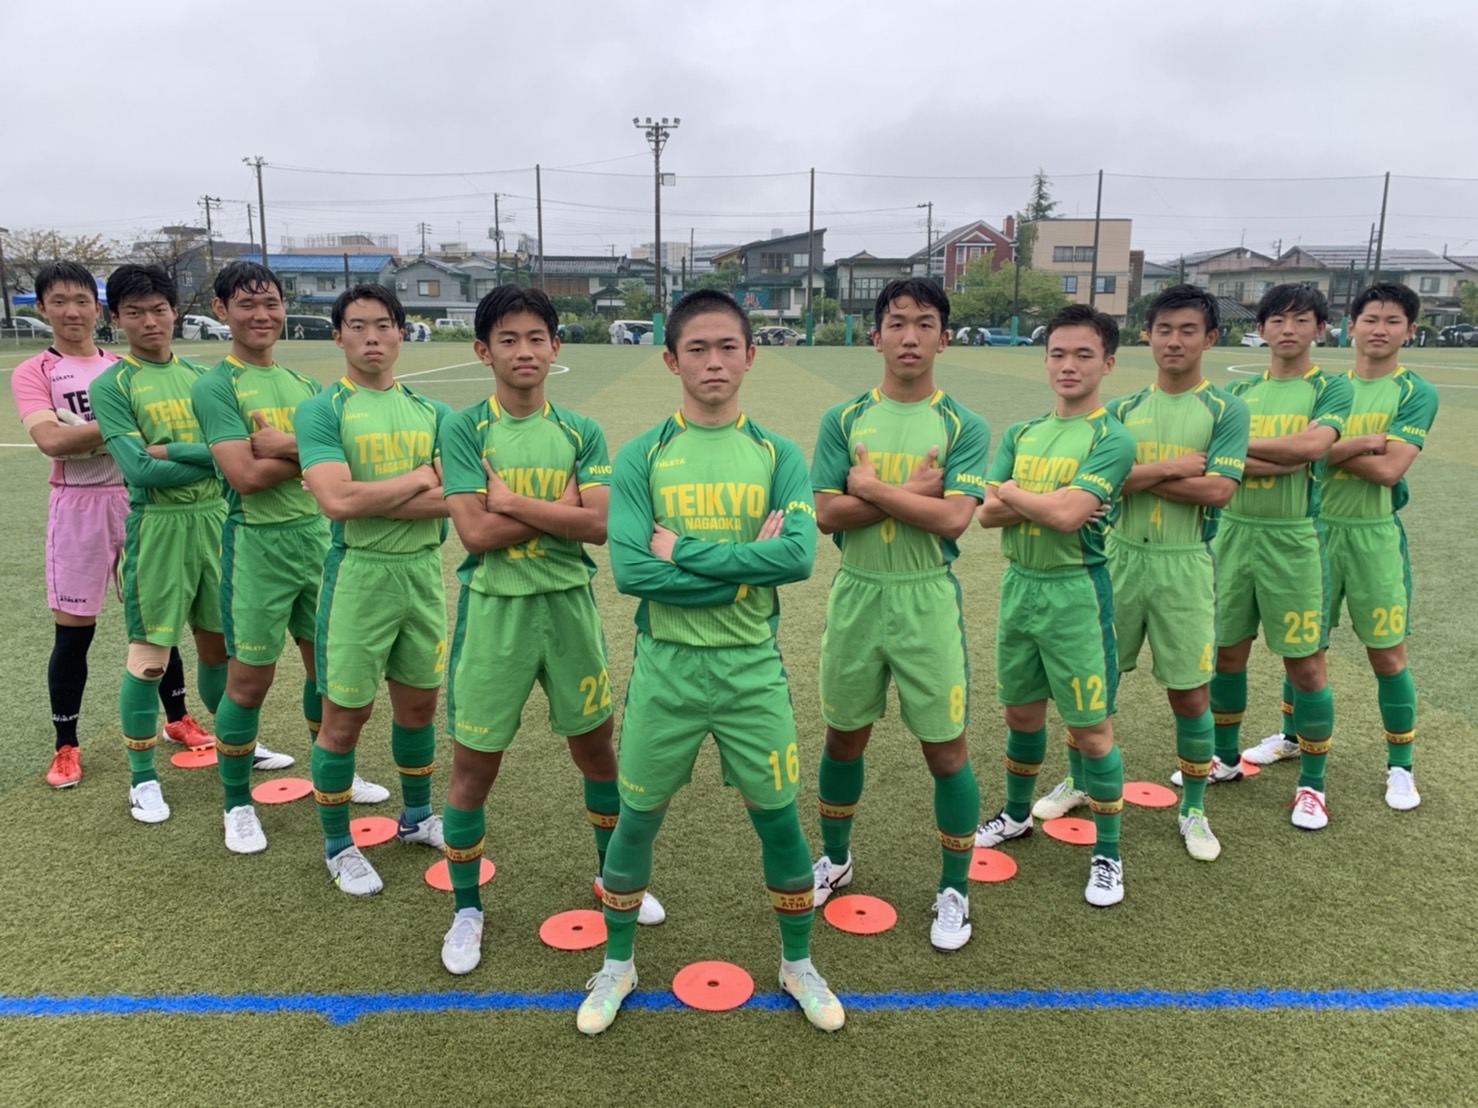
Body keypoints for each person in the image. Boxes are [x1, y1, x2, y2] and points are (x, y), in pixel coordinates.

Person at [576, 289, 842, 1036]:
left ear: (751, 356)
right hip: (666, 669)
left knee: (780, 824)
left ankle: (798, 964)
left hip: (751, 668)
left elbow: (797, 557)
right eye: (697, 348)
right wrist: (743, 568)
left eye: (728, 347)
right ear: (671, 360)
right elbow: (633, 571)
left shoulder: (779, 454)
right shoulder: (642, 455)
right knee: (635, 822)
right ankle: (618, 965)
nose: (714, 361)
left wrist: (685, 551)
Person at [436, 285, 664, 972]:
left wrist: (510, 501)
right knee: (474, 765)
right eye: (508, 339)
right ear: (484, 352)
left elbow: (598, 525)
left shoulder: (581, 431)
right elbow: (475, 535)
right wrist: (552, 509)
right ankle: (467, 910)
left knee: (597, 753)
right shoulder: (463, 429)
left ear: (556, 347)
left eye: (536, 337)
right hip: (495, 613)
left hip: (568, 608)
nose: (524, 351)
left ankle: (611, 877)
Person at [1030, 286, 1247, 862]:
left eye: (1188, 330)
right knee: (1093, 686)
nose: (1174, 341)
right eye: (1164, 329)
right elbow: (1098, 482)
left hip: (1184, 564)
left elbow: (1219, 490)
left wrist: (1134, 476)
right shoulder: (1121, 411)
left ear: (1209, 338)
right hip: (1117, 558)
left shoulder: (1225, 409)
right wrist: (1171, 468)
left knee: (1191, 694)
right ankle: (1078, 781)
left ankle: (1194, 807)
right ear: (1147, 336)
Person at [806, 278, 987, 951]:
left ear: (944, 338)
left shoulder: (965, 424)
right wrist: (910, 492)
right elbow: (828, 514)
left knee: (945, 749)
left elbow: (953, 519)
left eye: (925, 323)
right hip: (857, 593)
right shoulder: (843, 419)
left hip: (925, 598)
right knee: (842, 736)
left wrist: (872, 487)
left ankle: (954, 888)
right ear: (875, 335)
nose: (910, 336)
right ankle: (837, 859)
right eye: (898, 322)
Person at [191, 262, 387, 855]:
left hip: (316, 541)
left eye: (271, 303)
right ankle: (237, 804)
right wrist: (312, 455)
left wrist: (285, 444)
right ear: (222, 310)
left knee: (325, 672)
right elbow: (245, 477)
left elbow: (345, 460)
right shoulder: (215, 385)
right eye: (247, 304)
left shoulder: (304, 385)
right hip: (257, 546)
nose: (262, 315)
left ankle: (335, 773)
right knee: (249, 680)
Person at [11, 262, 202, 790]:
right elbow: (52, 441)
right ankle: (66, 745)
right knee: (75, 629)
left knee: (158, 616)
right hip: (78, 505)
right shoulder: (36, 371)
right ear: (42, 308)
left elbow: (158, 439)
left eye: (81, 301)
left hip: (141, 499)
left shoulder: (123, 366)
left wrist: (101, 434)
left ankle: (178, 718)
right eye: (58, 301)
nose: (71, 311)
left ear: (99, 309)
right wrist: (122, 427)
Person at [1248, 284, 1437, 811]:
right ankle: (1292, 737)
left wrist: (1318, 451)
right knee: (1305, 647)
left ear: (1409, 331)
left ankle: (1401, 767)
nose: (1380, 329)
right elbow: (1304, 455)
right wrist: (1358, 443)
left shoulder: (1415, 392)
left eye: (1393, 321)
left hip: (1372, 535)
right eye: (1370, 319)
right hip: (1311, 530)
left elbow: (1390, 469)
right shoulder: (1327, 388)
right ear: (1351, 327)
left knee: (1387, 654)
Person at [974, 304, 1136, 907]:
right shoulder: (1022, 433)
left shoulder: (1112, 437)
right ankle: (1017, 815)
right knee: (1021, 714)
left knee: (1091, 730)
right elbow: (986, 515)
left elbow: (1067, 519)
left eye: (1083, 354)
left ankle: (1108, 853)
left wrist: (1017, 491)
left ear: (1108, 363)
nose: (1069, 365)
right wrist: (1046, 499)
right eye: (1058, 354)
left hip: (1076, 592)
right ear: (1045, 361)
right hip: (1020, 587)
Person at [293, 285, 451, 887]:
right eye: (357, 327)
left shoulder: (435, 412)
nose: (372, 338)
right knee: (347, 713)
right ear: (338, 337)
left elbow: (456, 499)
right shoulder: (322, 410)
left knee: (419, 705)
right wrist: (420, 476)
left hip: (422, 574)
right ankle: (338, 845)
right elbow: (337, 502)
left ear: (401, 333)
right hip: (359, 574)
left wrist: (373, 495)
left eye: (383, 325)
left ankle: (416, 818)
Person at [89, 265, 231, 822]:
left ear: (175, 311)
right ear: (115, 318)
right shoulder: (112, 384)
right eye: (134, 312)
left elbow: (231, 458)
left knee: (221, 648)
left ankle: (235, 739)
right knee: (150, 659)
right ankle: (142, 777)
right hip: (159, 529)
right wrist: (212, 459)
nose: (149, 321)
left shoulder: (204, 378)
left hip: (217, 523)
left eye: (158, 309)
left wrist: (176, 451)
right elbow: (139, 470)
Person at [1208, 284, 1351, 830]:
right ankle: (1223, 759)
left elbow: (1313, 448)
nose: (1288, 329)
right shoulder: (1238, 394)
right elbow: (1223, 458)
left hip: (1294, 539)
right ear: (1261, 329)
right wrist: (1283, 455)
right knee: (1226, 653)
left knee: (1305, 665)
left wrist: (1241, 451)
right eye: (1277, 320)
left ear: (1320, 328)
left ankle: (1313, 785)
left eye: (1301, 320)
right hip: (1234, 535)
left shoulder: (1330, 388)